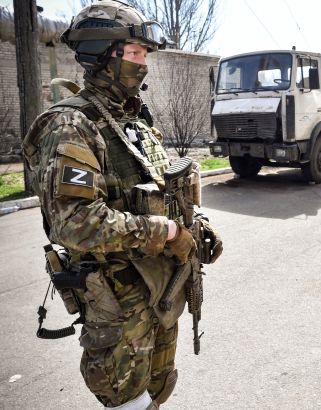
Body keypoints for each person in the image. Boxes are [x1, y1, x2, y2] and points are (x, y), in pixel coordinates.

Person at [22, 1, 222, 408]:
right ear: (102, 54)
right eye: (134, 53)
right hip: (117, 299)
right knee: (124, 397)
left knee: (159, 388)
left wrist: (196, 226)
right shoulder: (71, 125)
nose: (143, 63)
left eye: (145, 54)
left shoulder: (136, 122)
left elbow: (166, 190)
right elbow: (74, 223)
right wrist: (166, 232)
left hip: (160, 288)